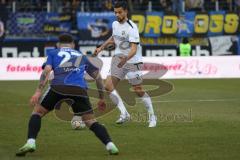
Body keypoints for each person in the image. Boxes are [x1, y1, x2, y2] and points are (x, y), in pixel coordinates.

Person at [16, 34, 119, 156]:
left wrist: (38, 91)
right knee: (91, 122)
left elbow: (47, 71)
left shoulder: (53, 53)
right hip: (79, 89)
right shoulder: (81, 56)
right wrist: (102, 98)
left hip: (58, 87)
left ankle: (31, 142)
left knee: (37, 113)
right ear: (73, 45)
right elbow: (98, 77)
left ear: (59, 44)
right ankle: (110, 145)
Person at [93, 1, 157, 127]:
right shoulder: (115, 24)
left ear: (126, 11)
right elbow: (113, 37)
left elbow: (133, 49)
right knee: (108, 86)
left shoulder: (132, 28)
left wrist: (126, 59)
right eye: (115, 12)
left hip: (133, 61)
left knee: (138, 90)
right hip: (118, 59)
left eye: (120, 12)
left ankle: (152, 116)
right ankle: (124, 114)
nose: (117, 14)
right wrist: (101, 48)